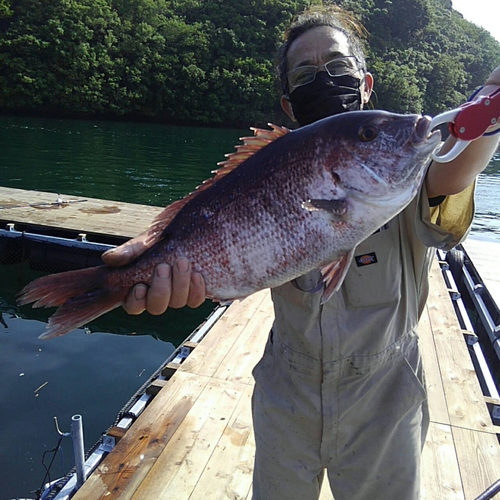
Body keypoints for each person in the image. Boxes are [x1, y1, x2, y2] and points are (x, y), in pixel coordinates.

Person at [102, 6, 500, 499]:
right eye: (307, 74)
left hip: (385, 390)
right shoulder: (278, 162)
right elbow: (222, 230)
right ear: (289, 105)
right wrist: (170, 263)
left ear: (366, 82)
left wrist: (490, 106)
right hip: (286, 387)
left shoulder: (407, 175)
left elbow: (455, 169)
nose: (325, 80)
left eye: (337, 67)